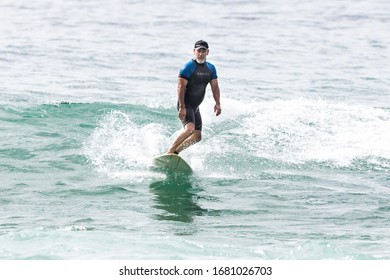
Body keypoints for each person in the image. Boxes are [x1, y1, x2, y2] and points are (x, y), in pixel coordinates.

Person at [167, 40, 221, 155]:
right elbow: (180, 88)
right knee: (190, 129)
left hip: (195, 106)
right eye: (198, 51)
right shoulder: (188, 67)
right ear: (194, 52)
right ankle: (169, 152)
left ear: (208, 52)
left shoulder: (211, 68)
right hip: (185, 104)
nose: (200, 54)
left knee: (197, 136)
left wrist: (217, 103)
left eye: (203, 51)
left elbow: (215, 87)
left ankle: (176, 152)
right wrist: (182, 107)